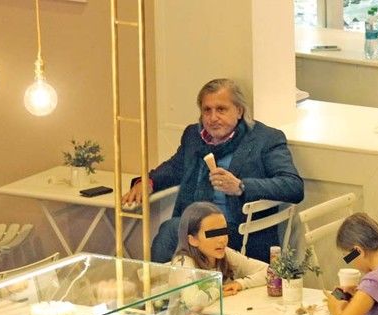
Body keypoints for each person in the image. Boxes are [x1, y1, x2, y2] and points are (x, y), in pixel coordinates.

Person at [123, 78, 304, 263]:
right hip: (196, 227)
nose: (213, 117)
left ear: (239, 111)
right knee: (179, 230)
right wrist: (149, 182)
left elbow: (293, 186)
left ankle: (155, 279)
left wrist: (240, 186)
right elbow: (175, 167)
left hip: (237, 232)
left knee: (172, 230)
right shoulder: (194, 135)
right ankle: (163, 278)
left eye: (221, 109)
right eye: (207, 110)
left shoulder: (265, 139)